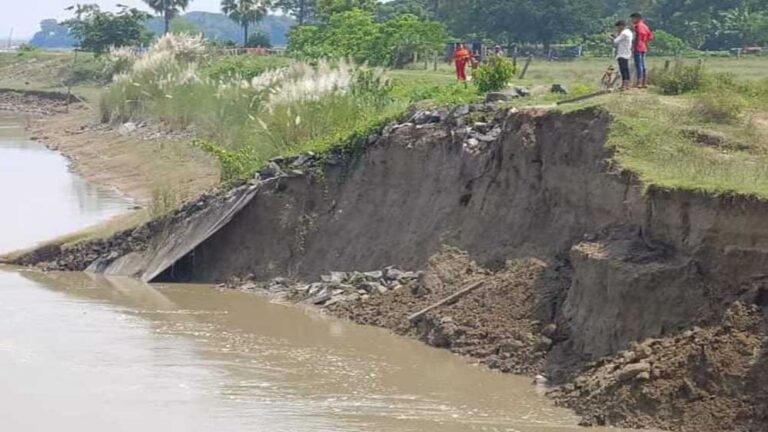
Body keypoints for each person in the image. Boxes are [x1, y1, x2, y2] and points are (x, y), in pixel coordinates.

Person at [631, 12, 654, 88]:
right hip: (643, 47)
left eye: (633, 19)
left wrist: (633, 47)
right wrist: (646, 44)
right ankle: (644, 82)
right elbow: (650, 37)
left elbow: (636, 37)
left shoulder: (637, 26)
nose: (632, 20)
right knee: (643, 65)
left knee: (639, 65)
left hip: (637, 47)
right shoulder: (645, 26)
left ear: (637, 18)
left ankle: (639, 82)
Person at [613, 20, 634, 90]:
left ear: (621, 26)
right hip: (627, 52)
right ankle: (627, 84)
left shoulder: (624, 33)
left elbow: (615, 41)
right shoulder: (629, 32)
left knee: (623, 70)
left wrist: (613, 37)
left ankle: (624, 85)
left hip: (622, 53)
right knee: (626, 69)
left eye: (618, 27)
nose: (617, 29)